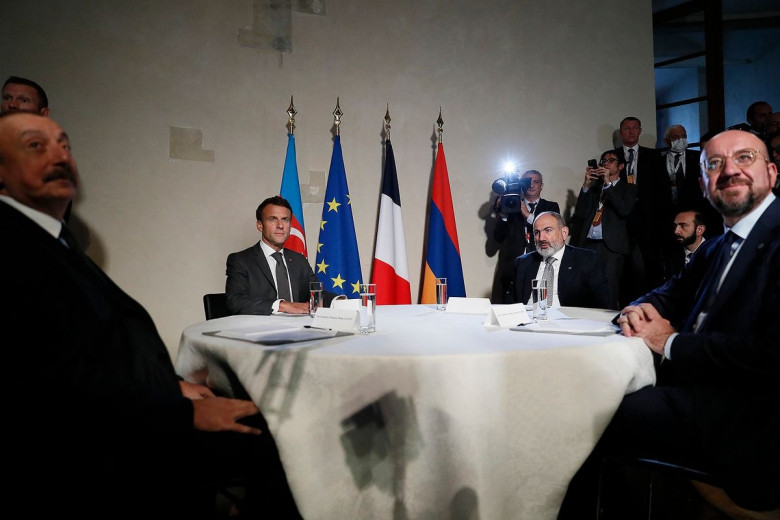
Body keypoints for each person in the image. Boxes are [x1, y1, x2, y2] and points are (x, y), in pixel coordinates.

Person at [0, 112, 302, 518]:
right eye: (36, 145)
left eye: (65, 145)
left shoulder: (56, 241)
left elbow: (90, 349)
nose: (60, 155)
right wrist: (175, 409)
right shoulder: (13, 247)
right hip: (117, 435)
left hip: (155, 401)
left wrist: (174, 386)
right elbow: (44, 380)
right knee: (282, 434)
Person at [559, 130, 780, 517]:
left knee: (580, 413)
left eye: (744, 157)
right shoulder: (719, 245)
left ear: (772, 173)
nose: (730, 170)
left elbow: (773, 353)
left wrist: (671, 342)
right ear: (703, 184)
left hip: (749, 418)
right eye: (714, 164)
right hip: (696, 395)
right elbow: (667, 293)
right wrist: (635, 309)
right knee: (585, 394)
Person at [226, 195, 339, 315]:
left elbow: (317, 294)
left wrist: (340, 302)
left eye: (285, 220)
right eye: (272, 219)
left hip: (300, 325)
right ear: (260, 225)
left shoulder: (299, 260)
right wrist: (282, 306)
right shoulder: (240, 260)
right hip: (261, 325)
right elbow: (235, 302)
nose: (280, 225)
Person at [568, 150, 637, 309]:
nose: (605, 163)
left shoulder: (628, 188)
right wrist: (586, 185)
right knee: (585, 287)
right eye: (603, 161)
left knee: (609, 290)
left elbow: (624, 210)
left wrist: (607, 184)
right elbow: (581, 213)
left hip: (611, 247)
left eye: (610, 160)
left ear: (620, 166)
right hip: (588, 244)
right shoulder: (594, 188)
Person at [615, 116, 673, 297]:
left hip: (649, 220)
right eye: (627, 128)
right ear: (621, 132)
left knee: (651, 264)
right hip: (621, 218)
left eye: (635, 128)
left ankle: (652, 301)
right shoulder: (612, 156)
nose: (631, 131)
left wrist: (664, 220)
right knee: (625, 267)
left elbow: (663, 189)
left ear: (640, 131)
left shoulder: (654, 156)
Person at [507, 211, 609, 309]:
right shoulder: (523, 263)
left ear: (564, 233)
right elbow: (510, 304)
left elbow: (603, 305)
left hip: (568, 319)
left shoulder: (587, 260)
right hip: (529, 318)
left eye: (548, 230)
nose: (541, 238)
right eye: (537, 232)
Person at [491, 169, 559, 302]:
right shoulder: (511, 205)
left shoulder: (551, 206)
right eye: (527, 182)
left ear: (541, 185)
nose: (531, 185)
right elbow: (498, 237)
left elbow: (551, 233)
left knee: (538, 304)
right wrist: (503, 214)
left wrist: (528, 215)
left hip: (540, 263)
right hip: (512, 267)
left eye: (536, 182)